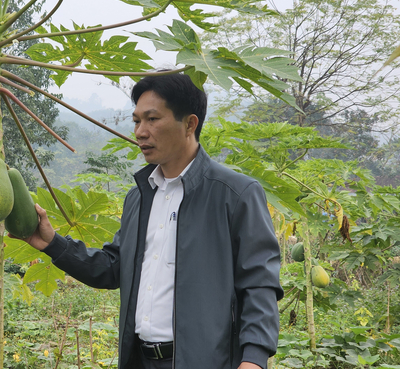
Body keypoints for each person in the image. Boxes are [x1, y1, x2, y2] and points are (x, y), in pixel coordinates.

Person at [22, 74, 283, 369]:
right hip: (141, 360)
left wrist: (254, 359)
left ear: (190, 124)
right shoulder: (139, 197)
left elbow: (259, 284)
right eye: (136, 122)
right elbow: (113, 267)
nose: (140, 132)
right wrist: (53, 244)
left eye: (152, 119)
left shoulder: (236, 194)